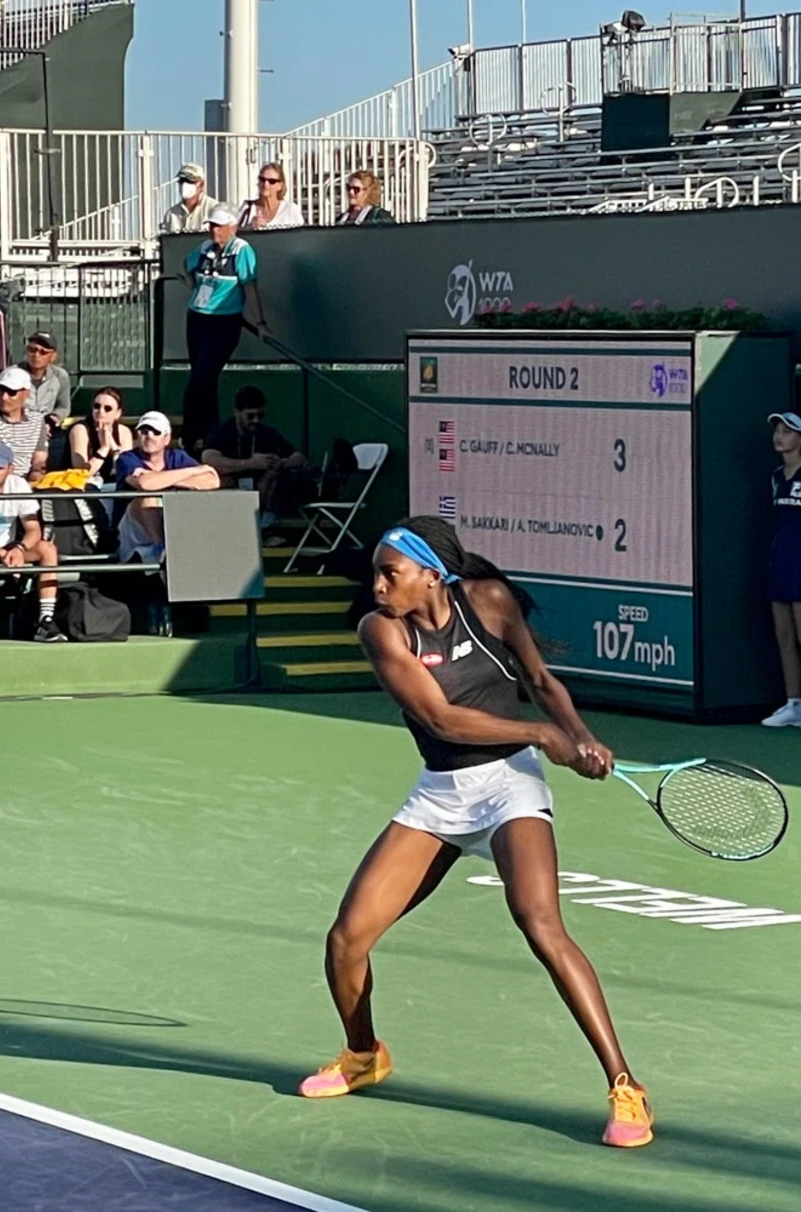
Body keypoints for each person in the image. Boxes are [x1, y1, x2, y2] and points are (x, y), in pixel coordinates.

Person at [297, 517, 653, 1150]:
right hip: (440, 793)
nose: (377, 586)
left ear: (431, 574)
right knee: (346, 939)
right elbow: (441, 718)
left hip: (509, 786)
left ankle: (626, 1085)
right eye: (377, 573)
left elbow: (541, 682)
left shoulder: (488, 601)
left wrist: (583, 734)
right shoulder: (379, 631)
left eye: (390, 573)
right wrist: (546, 735)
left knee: (540, 922)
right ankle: (363, 1054)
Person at [180, 203, 268, 454]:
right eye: (212, 225)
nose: (214, 230)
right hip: (197, 318)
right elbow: (186, 265)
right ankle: (206, 435)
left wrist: (260, 322)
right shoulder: (205, 248)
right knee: (202, 376)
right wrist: (194, 289)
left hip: (224, 322)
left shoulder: (241, 250)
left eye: (219, 225)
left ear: (232, 226)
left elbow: (250, 287)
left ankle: (196, 434)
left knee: (201, 378)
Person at [0, 442, 65, 644]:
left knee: (47, 548)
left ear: (11, 468)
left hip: (10, 548)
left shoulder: (18, 485)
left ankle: (45, 620)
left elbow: (34, 529)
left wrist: (20, 549)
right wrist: (2, 553)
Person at [114, 410, 219, 564]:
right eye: (144, 431)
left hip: (169, 521)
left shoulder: (177, 456)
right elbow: (145, 484)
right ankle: (160, 551)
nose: (149, 435)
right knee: (148, 497)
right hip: (131, 531)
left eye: (156, 432)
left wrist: (168, 479)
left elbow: (212, 480)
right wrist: (194, 471)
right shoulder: (127, 458)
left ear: (166, 439)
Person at [201, 384, 313, 529]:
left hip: (261, 492)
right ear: (237, 412)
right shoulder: (223, 432)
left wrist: (282, 463)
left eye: (260, 416)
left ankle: (268, 523)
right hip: (231, 492)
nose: (256, 420)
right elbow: (209, 459)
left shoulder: (266, 433)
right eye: (250, 415)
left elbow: (299, 457)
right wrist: (248, 464)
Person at [761, 412, 801, 726]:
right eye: (777, 430)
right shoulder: (776, 477)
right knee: (785, 636)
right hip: (781, 562)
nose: (779, 435)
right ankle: (793, 705)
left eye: (787, 431)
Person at [0, 366, 48, 482]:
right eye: (0, 391)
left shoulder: (37, 418)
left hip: (24, 481)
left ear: (26, 394)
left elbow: (40, 455)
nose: (4, 397)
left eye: (11, 392)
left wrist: (36, 471)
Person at [68, 386, 133, 484]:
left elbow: (127, 471)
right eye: (97, 406)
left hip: (112, 485)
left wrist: (113, 446)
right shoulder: (80, 430)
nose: (101, 411)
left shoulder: (124, 432)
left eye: (108, 408)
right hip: (84, 486)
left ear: (118, 413)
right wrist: (104, 448)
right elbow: (81, 473)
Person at [19, 330, 71, 427]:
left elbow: (64, 407)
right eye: (32, 349)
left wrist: (54, 417)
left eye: (43, 352)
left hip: (47, 425)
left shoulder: (60, 376)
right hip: (19, 426)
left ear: (53, 356)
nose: (36, 355)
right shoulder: (13, 374)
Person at [237, 163, 305, 231]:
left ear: (280, 186)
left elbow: (301, 236)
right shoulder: (247, 208)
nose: (266, 184)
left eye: (272, 181)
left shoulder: (290, 210)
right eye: (262, 179)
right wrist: (249, 227)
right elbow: (231, 237)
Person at [160, 163, 216, 235]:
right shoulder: (171, 214)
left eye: (190, 181)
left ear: (202, 184)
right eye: (181, 181)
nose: (184, 185)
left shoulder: (213, 209)